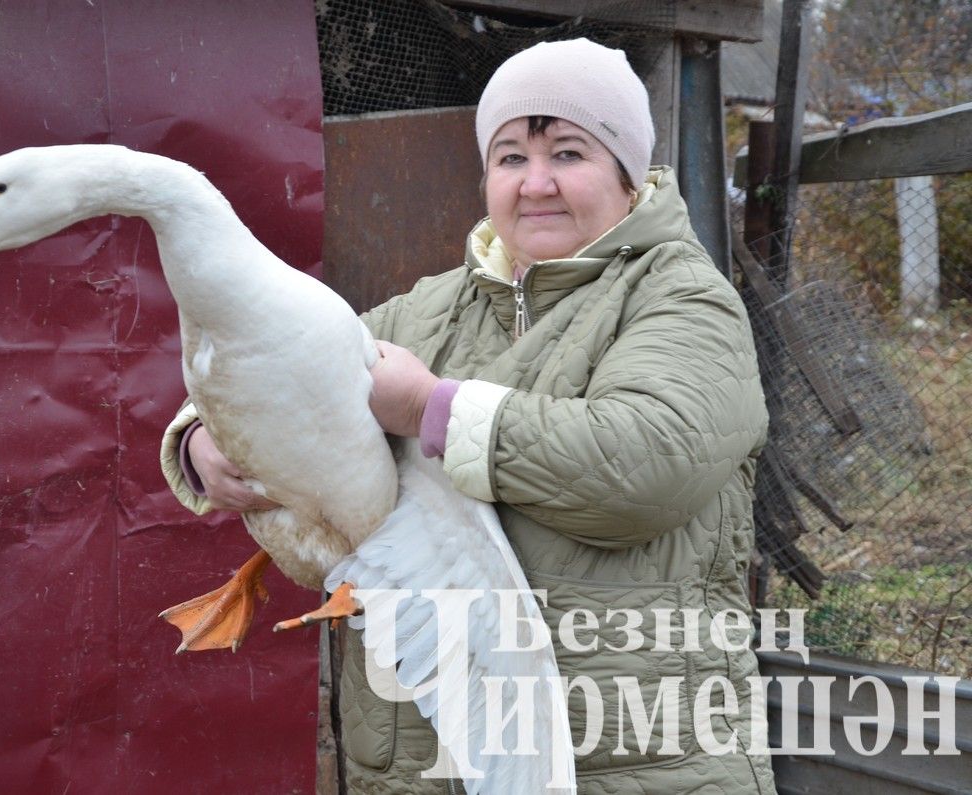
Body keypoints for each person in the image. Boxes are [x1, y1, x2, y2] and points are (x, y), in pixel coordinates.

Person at [164, 38, 776, 795]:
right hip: (418, 767)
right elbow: (279, 362)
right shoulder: (430, 310)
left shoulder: (682, 301)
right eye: (511, 157)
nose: (537, 183)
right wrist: (201, 439)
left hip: (631, 763)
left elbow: (646, 465)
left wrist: (428, 407)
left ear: (627, 173)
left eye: (570, 153)